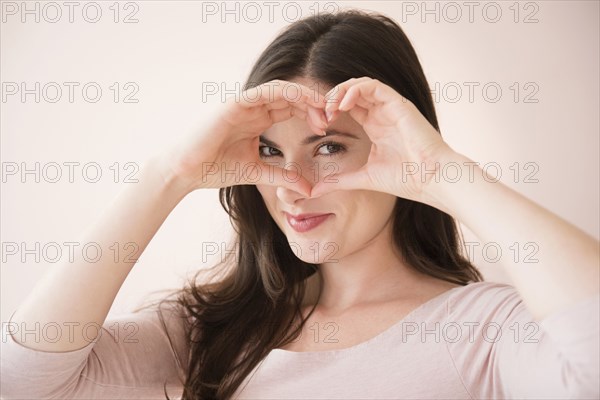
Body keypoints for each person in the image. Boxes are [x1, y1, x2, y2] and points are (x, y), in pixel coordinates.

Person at [1, 8, 599, 400]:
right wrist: (170, 174)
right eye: (269, 151)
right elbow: (22, 380)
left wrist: (442, 172)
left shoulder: (485, 329)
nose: (294, 184)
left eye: (330, 147)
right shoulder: (214, 330)